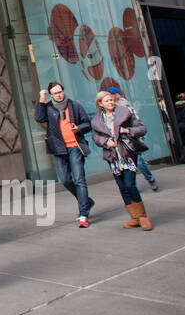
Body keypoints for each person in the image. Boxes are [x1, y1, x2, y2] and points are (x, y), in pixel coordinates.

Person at [34, 82, 95, 227]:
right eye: (55, 93)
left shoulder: (74, 106)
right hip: (59, 149)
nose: (59, 95)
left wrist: (78, 128)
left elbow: (87, 123)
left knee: (79, 179)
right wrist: (41, 99)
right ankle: (86, 201)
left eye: (60, 91)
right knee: (65, 180)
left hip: (75, 147)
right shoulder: (48, 108)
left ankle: (83, 214)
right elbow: (39, 118)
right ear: (51, 95)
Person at [91, 90, 153, 230]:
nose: (111, 103)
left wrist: (127, 131)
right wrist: (106, 141)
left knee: (130, 184)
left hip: (127, 153)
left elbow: (141, 128)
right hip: (112, 156)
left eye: (112, 100)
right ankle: (134, 217)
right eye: (107, 101)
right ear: (100, 104)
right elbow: (96, 137)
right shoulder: (97, 120)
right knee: (122, 187)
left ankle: (143, 216)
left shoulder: (124, 112)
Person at [105, 86, 157, 191]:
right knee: (129, 164)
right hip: (121, 140)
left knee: (139, 162)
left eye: (112, 95)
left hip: (131, 137)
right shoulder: (111, 108)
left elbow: (136, 121)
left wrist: (131, 131)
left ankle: (150, 179)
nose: (111, 98)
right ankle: (133, 185)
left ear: (117, 95)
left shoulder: (125, 106)